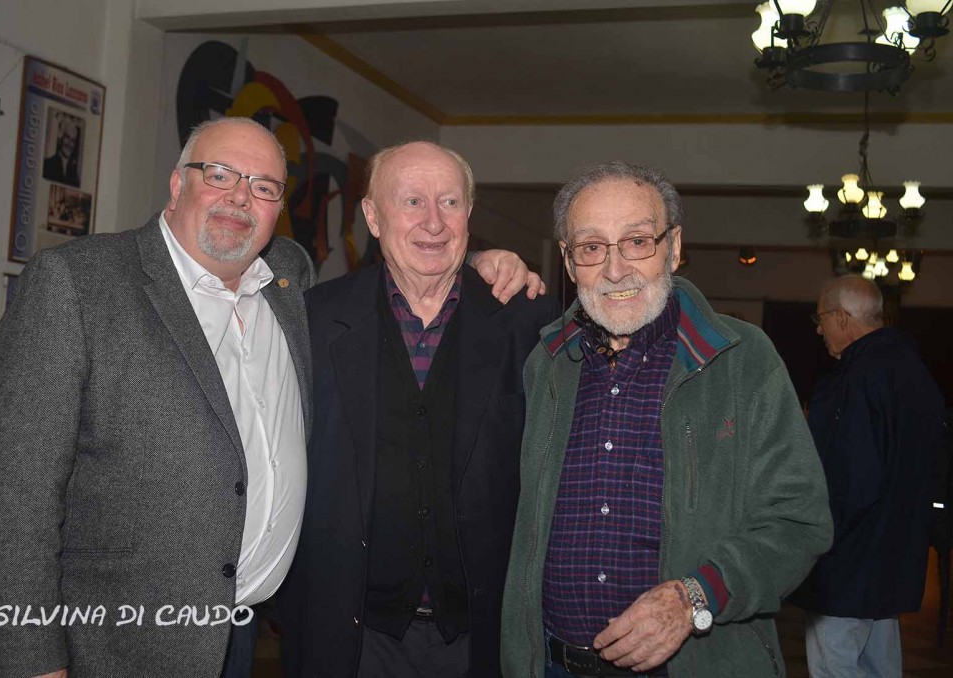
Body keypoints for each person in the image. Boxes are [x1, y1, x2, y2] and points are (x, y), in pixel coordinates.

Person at [0, 119, 538, 678]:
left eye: (262, 187)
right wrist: (29, 661)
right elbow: (10, 495)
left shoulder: (288, 283)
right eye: (219, 175)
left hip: (243, 628)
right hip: (120, 638)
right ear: (176, 183)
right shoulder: (78, 282)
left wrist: (487, 263)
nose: (240, 198)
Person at [501, 162, 833, 678]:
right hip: (554, 663)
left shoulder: (742, 361)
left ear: (673, 247)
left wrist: (692, 597)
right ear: (569, 263)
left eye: (637, 241)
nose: (615, 270)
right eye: (591, 248)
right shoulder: (544, 365)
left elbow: (798, 522)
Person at [280, 141, 560, 678]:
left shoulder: (528, 322)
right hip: (350, 635)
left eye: (449, 203)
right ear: (372, 216)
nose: (433, 222)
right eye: (411, 201)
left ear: (469, 215)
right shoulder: (312, 321)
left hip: (486, 636)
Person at [790, 274, 946, 678]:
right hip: (894, 557)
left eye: (821, 317)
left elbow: (848, 479)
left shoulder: (855, 382)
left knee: (835, 664)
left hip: (849, 560)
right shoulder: (915, 373)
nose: (819, 328)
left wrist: (813, 541)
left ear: (842, 318)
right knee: (880, 665)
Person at [42, 114, 81, 187]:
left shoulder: (74, 174)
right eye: (67, 137)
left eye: (73, 140)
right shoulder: (47, 165)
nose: (70, 144)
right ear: (61, 138)